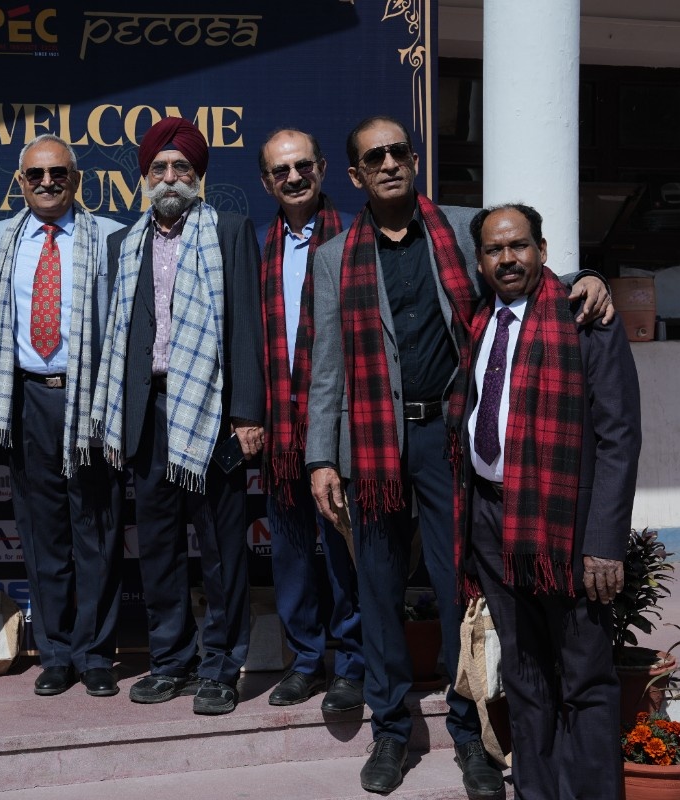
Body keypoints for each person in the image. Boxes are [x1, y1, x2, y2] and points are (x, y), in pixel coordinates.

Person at [306, 116, 612, 798]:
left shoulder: (462, 228)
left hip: (450, 440)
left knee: (459, 591)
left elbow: (524, 272)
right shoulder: (333, 258)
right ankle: (391, 730)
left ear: (414, 159)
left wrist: (588, 276)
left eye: (398, 151)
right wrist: (321, 457)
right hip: (373, 448)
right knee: (378, 590)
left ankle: (471, 734)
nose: (389, 163)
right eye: (374, 158)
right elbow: (327, 366)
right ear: (355, 175)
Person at [452, 203, 641, 800]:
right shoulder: (478, 319)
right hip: (493, 520)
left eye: (520, 246)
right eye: (494, 250)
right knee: (525, 672)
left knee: (584, 676)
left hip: (567, 529)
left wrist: (604, 543)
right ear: (479, 261)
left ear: (542, 249)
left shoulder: (586, 317)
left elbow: (619, 437)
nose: (508, 259)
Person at [92, 116, 265, 716]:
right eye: (159, 168)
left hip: (211, 411)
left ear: (199, 176)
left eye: (181, 168)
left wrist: (247, 414)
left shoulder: (230, 232)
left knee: (221, 549)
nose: (169, 177)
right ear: (145, 177)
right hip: (148, 412)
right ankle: (170, 661)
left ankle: (221, 666)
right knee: (159, 549)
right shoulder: (124, 243)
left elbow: (246, 325)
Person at [0, 134, 126, 697]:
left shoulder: (110, 237)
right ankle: (57, 653)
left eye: (58, 173)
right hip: (27, 399)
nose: (47, 183)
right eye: (36, 175)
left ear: (76, 180)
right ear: (20, 182)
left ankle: (96, 654)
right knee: (42, 534)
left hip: (90, 400)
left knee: (96, 531)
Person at [256, 128, 363, 712]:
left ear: (322, 168)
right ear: (266, 182)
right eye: (282, 170)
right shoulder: (257, 246)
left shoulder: (354, 236)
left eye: (303, 166)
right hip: (279, 425)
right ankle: (304, 661)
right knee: (292, 550)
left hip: (342, 423)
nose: (294, 177)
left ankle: (352, 662)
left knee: (345, 549)